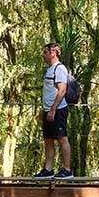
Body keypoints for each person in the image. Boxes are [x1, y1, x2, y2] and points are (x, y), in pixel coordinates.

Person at [34, 42, 72, 178]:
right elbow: (49, 91)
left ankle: (67, 169)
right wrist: (44, 110)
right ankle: (48, 169)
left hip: (58, 110)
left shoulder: (59, 69)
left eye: (45, 52)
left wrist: (53, 110)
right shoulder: (50, 69)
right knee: (48, 139)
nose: (43, 55)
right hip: (48, 110)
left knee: (62, 139)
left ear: (53, 53)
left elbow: (62, 90)